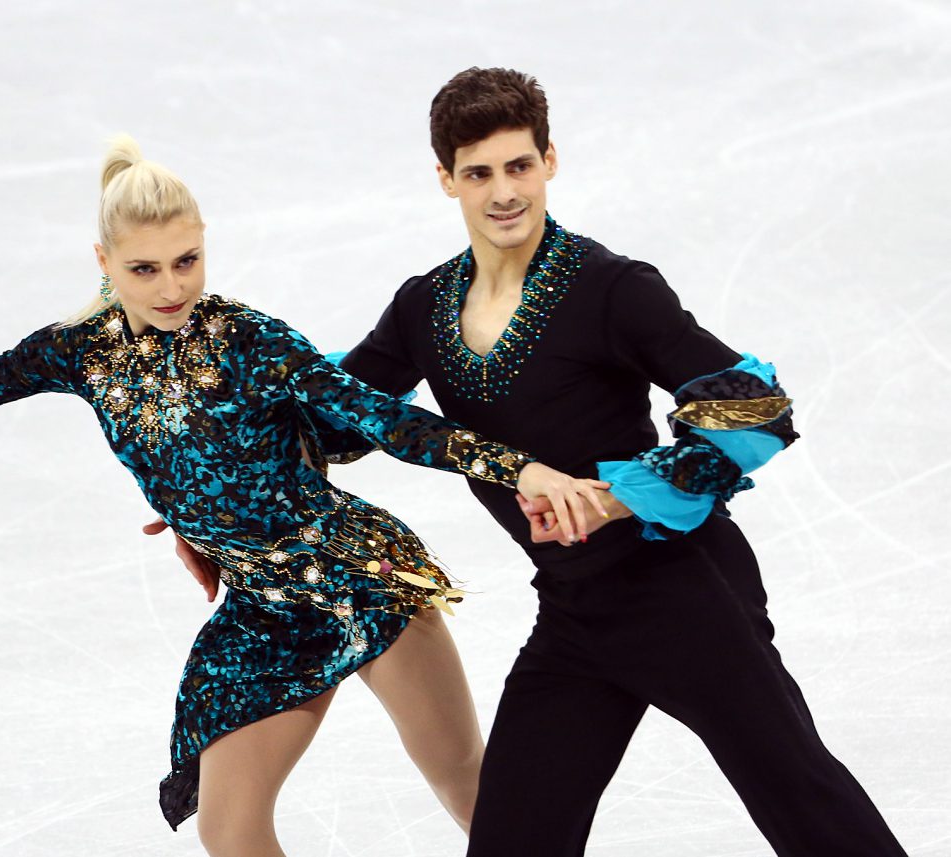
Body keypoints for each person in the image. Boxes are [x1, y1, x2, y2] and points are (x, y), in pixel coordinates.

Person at [0, 134, 612, 857]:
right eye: (146, 268)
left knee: (471, 790)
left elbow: (386, 420)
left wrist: (517, 465)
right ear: (104, 263)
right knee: (232, 833)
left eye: (187, 261)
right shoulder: (77, 352)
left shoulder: (250, 337)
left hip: (358, 577)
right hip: (261, 612)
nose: (171, 285)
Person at [163, 69, 909, 856]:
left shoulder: (610, 288)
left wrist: (620, 495)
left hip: (686, 597)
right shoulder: (425, 307)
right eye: (479, 172)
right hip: (576, 615)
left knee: (802, 796)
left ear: (550, 160)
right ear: (446, 179)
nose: (503, 192)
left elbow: (757, 406)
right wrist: (208, 491)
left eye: (519, 165)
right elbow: (335, 418)